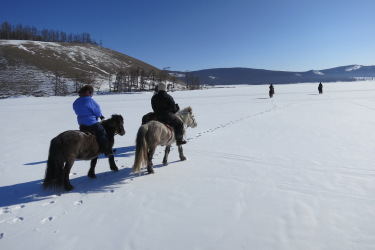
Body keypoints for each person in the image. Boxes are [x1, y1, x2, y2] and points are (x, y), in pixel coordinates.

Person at [73, 85, 113, 156]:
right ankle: (106, 150)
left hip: (81, 122)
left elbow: (76, 111)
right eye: (91, 92)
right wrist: (100, 115)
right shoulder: (89, 100)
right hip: (91, 122)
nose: (91, 94)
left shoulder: (76, 101)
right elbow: (96, 110)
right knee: (103, 133)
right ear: (88, 92)